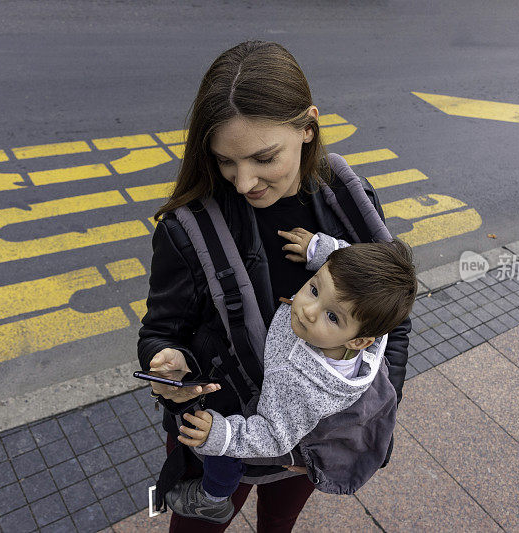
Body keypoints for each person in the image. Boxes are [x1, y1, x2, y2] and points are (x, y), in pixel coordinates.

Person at [137, 40, 412, 532]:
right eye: (225, 162)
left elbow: (393, 318)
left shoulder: (349, 203)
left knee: (280, 523)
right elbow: (159, 333)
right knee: (194, 522)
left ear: (308, 127)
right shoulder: (186, 231)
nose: (244, 183)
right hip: (219, 430)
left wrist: (362, 418)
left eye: (264, 158)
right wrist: (168, 372)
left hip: (309, 437)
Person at [164, 234, 416, 524]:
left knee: (224, 450)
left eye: (332, 317)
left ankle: (214, 500)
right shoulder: (371, 324)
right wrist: (323, 250)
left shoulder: (300, 383)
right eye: (314, 289)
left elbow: (273, 435)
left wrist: (222, 435)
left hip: (278, 428)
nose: (308, 311)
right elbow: (350, 267)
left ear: (360, 341)